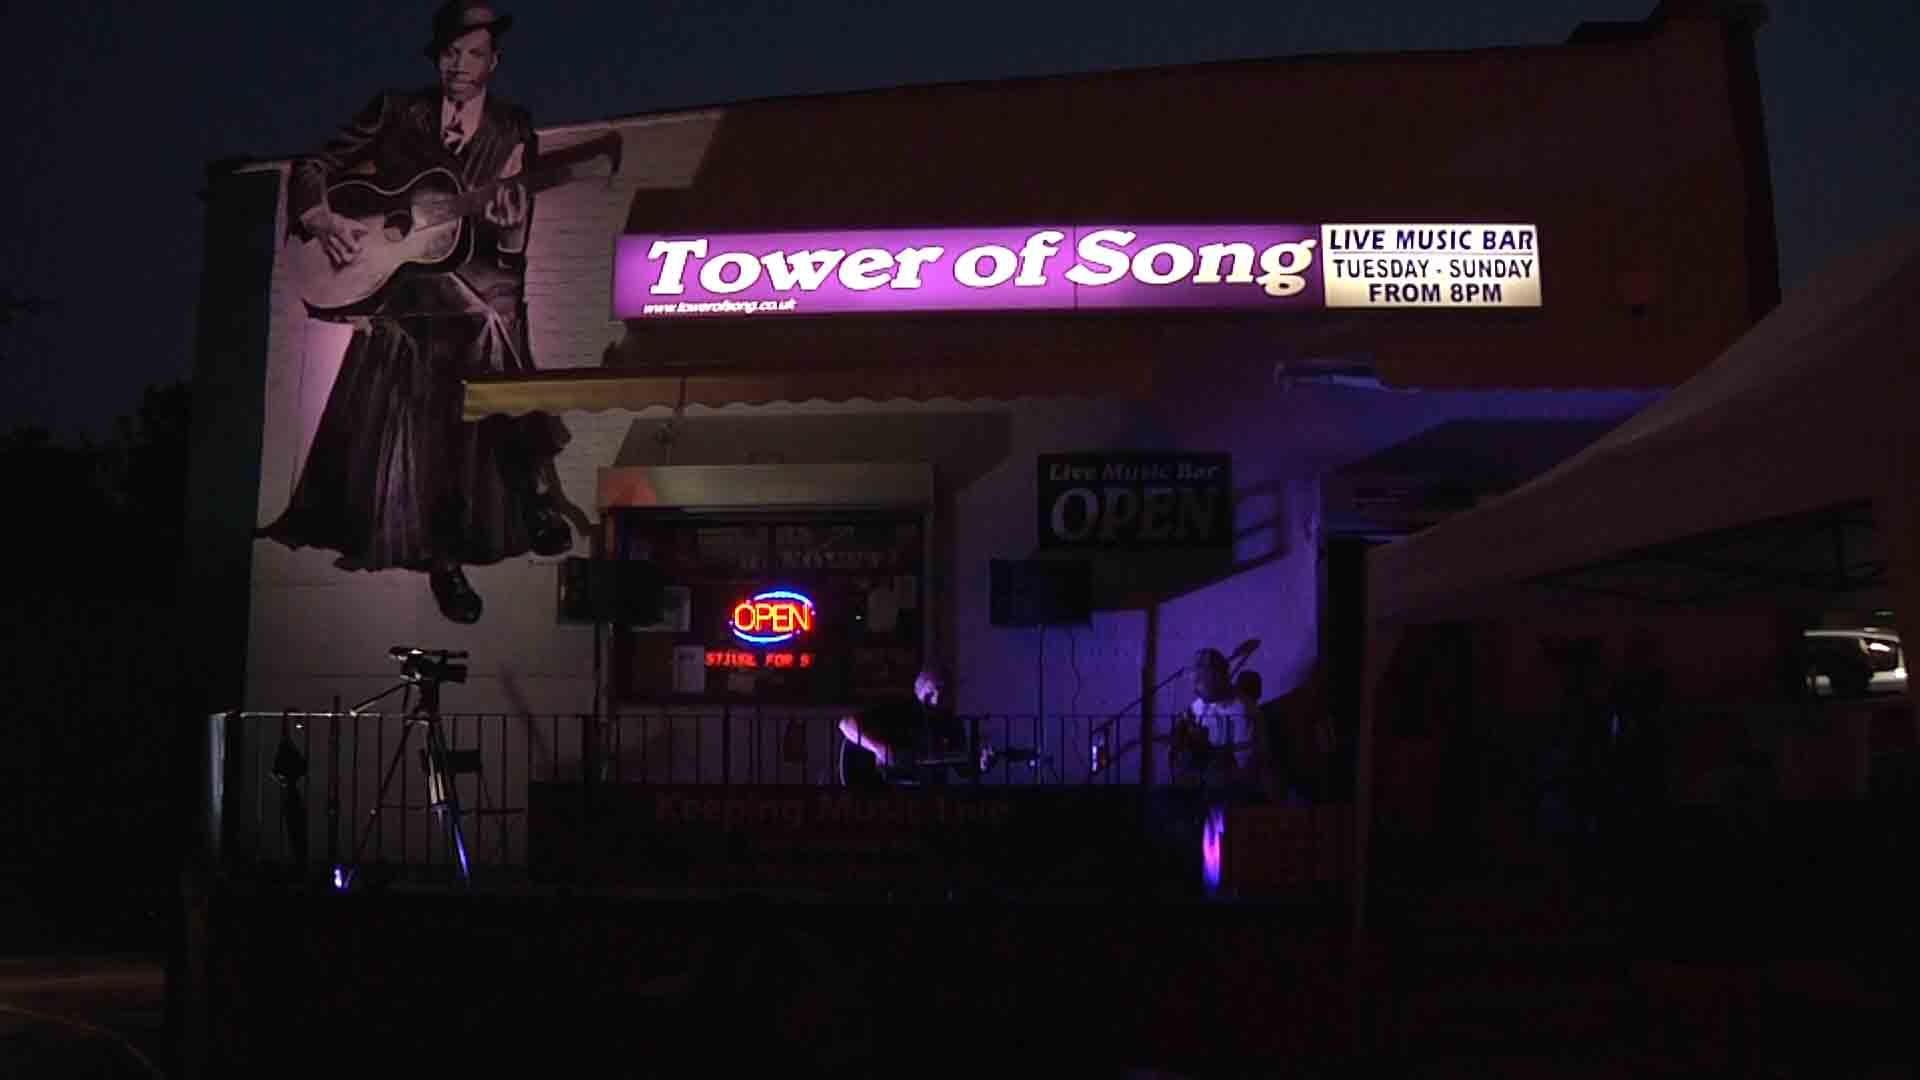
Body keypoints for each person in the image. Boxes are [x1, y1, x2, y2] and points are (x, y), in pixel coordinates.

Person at [259, 1, 571, 624]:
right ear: (436, 56)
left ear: (494, 61)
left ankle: (459, 545)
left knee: (484, 324)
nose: (460, 65)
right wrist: (319, 216)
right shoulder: (396, 110)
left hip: (476, 283)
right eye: (450, 52)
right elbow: (317, 164)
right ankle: (521, 496)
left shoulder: (514, 127)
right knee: (459, 356)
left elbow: (513, 240)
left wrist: (507, 224)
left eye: (474, 53)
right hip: (408, 286)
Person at [836, 667, 994, 786]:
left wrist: (981, 764)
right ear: (917, 690)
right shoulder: (899, 710)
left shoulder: (950, 724)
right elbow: (845, 724)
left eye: (943, 693)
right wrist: (879, 749)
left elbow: (963, 769)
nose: (937, 699)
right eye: (931, 692)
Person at [1173, 647, 1256, 792]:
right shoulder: (1197, 706)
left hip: (1234, 788)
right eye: (1196, 679)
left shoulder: (1241, 708)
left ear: (1219, 678)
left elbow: (1245, 761)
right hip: (1201, 787)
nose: (1197, 687)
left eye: (1203, 679)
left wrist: (1213, 756)